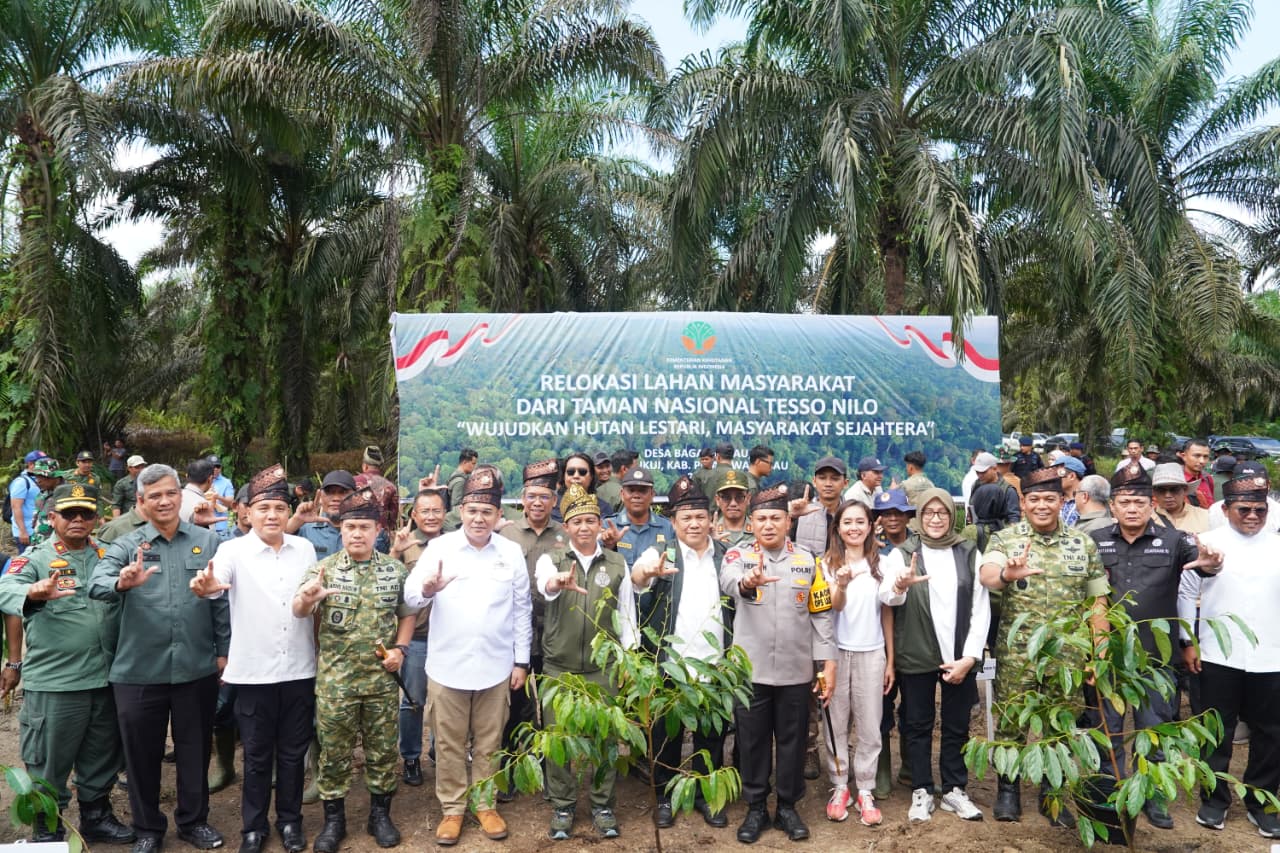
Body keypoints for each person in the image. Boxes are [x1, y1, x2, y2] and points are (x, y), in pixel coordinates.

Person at [89, 463, 230, 853]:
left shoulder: (208, 542)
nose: (164, 501)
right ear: (141, 501)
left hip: (196, 666)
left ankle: (193, 821)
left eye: (170, 493)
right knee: (141, 755)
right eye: (155, 496)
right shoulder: (126, 545)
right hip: (138, 670)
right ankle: (148, 828)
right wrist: (121, 582)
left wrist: (224, 652)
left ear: (180, 495)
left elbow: (221, 602)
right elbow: (96, 583)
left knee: (194, 750)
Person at [190, 465, 319, 853]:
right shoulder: (232, 551)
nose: (272, 515)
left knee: (293, 753)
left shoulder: (304, 549)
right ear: (247, 511)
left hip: (299, 669)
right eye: (263, 508)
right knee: (258, 755)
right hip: (254, 673)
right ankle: (254, 827)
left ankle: (290, 822)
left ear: (288, 511)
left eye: (279, 508)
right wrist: (206, 586)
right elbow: (213, 583)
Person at [1088, 462, 1222, 830]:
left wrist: (1211, 564)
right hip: (1109, 657)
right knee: (1108, 729)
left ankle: (1152, 796)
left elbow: (1203, 564)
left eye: (1140, 502)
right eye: (1125, 502)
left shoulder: (1175, 540)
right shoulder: (1094, 541)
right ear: (1112, 506)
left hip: (1156, 659)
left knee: (1155, 730)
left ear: (1152, 505)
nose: (1132, 509)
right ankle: (1111, 792)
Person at [0, 483, 134, 845]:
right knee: (48, 761)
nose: (78, 519)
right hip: (57, 682)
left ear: (96, 518)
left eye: (85, 513)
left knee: (102, 754)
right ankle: (48, 827)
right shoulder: (35, 558)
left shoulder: (108, 555)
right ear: (51, 517)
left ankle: (96, 816)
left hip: (106, 678)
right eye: (69, 513)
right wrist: (32, 592)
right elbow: (5, 590)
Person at [405, 468, 532, 847]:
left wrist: (521, 662)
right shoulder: (440, 549)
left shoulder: (510, 552)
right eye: (472, 510)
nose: (479, 518)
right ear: (461, 511)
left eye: (487, 512)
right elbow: (410, 596)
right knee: (449, 743)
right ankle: (453, 809)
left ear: (498, 515)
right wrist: (428, 588)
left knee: (490, 742)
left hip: (496, 667)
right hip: (448, 667)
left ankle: (485, 803)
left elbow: (521, 609)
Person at [978, 466, 1108, 827]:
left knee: (1061, 726)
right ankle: (1008, 791)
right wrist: (1006, 574)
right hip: (1018, 655)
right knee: (1011, 722)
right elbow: (987, 574)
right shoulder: (1006, 539)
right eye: (1034, 499)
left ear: (1062, 500)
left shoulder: (1082, 543)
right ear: (1023, 502)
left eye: (1050, 499)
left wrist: (1099, 653)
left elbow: (1097, 601)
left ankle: (1053, 796)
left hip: (1067, 657)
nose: (1041, 506)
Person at [292, 488, 414, 852]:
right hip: (337, 684)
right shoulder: (323, 570)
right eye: (350, 527)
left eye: (364, 527)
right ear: (341, 530)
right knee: (333, 754)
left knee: (382, 752)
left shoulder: (395, 570)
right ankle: (335, 821)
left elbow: (407, 614)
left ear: (378, 530)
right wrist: (306, 600)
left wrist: (400, 650)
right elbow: (299, 609)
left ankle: (380, 816)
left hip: (380, 682)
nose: (357, 534)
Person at [720, 485, 837, 844]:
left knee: (793, 741)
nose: (768, 525)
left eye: (775, 518)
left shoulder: (808, 560)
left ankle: (787, 806)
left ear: (788, 522)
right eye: (761, 519)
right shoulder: (737, 556)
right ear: (751, 523)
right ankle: (756, 807)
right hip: (751, 672)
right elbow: (730, 583)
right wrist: (747, 582)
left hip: (795, 671)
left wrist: (828, 663)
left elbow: (821, 615)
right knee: (752, 742)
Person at [536, 483, 648, 840]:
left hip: (604, 669)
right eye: (576, 522)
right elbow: (544, 586)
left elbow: (627, 615)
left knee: (605, 740)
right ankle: (562, 806)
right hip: (559, 667)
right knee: (559, 740)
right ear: (566, 527)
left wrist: (629, 661)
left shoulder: (616, 563)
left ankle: (603, 805)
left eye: (590, 521)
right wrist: (557, 583)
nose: (584, 527)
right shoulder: (551, 560)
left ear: (600, 525)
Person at [1179, 466, 1280, 837]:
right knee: (1215, 731)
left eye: (1260, 509)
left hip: (1272, 655)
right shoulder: (1205, 542)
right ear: (1225, 509)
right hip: (1217, 654)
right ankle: (1214, 799)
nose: (1253, 516)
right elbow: (1187, 594)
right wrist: (1187, 641)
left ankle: (1262, 801)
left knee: (1271, 733)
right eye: (1244, 509)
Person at [880, 489, 989, 824]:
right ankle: (922, 789)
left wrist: (970, 657)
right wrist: (900, 585)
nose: (936, 519)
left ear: (953, 516)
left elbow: (980, 607)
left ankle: (954, 789)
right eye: (929, 513)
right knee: (917, 723)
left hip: (959, 654)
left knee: (957, 724)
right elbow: (886, 597)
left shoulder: (969, 552)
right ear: (919, 517)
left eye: (943, 512)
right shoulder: (902, 553)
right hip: (917, 651)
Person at [637, 476, 734, 830]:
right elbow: (637, 577)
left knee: (712, 736)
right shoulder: (660, 553)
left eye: (700, 517)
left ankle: (707, 795)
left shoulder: (725, 556)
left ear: (711, 519)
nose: (694, 524)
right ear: (674, 522)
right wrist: (646, 573)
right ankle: (664, 797)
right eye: (686, 518)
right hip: (671, 665)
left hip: (715, 663)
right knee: (667, 734)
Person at [818, 500, 891, 826]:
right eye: (847, 522)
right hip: (835, 654)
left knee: (870, 724)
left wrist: (890, 658)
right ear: (837, 528)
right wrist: (842, 584)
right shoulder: (825, 565)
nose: (854, 528)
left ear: (871, 525)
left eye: (860, 521)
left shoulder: (882, 564)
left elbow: (887, 610)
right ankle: (839, 785)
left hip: (872, 652)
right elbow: (832, 607)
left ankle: (865, 788)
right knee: (835, 723)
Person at [496, 459, 565, 798]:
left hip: (555, 631)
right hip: (515, 634)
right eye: (532, 496)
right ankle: (511, 770)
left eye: (545, 497)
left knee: (553, 706)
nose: (538, 502)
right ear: (522, 499)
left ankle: (553, 773)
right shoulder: (505, 534)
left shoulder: (566, 534)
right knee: (515, 705)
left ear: (555, 500)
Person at [387, 488, 446, 787]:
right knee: (412, 700)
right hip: (417, 636)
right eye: (425, 511)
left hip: (448, 636)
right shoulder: (406, 544)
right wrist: (396, 551)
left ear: (445, 513)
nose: (431, 516)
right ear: (414, 514)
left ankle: (439, 751)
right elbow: (387, 580)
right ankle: (410, 756)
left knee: (446, 699)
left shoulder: (455, 543)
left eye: (437, 510)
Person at [870, 489, 915, 798]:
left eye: (898, 512)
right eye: (886, 514)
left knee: (913, 705)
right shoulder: (872, 549)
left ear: (908, 515)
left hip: (913, 634)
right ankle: (882, 769)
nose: (893, 518)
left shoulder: (919, 547)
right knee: (882, 704)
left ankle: (910, 767)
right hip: (879, 635)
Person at [600, 467, 674, 569]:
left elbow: (670, 566)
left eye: (642, 491)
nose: (636, 496)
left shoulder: (667, 528)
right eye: (631, 490)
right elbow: (598, 567)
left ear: (652, 495)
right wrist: (609, 546)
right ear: (622, 494)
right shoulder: (608, 525)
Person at [286, 470, 355, 559]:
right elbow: (273, 544)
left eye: (343, 492)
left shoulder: (366, 531)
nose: (336, 498)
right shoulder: (306, 531)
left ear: (355, 496)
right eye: (329, 492)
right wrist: (295, 521)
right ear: (320, 497)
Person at [794, 456, 848, 555]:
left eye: (835, 479)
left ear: (845, 483)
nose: (828, 484)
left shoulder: (852, 514)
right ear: (814, 481)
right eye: (822, 478)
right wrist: (790, 516)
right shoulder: (802, 514)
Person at [968, 453, 1019, 549]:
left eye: (983, 472)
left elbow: (1013, 518)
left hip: (999, 537)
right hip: (977, 534)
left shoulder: (1008, 490)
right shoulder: (976, 484)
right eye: (977, 472)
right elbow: (971, 508)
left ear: (995, 469)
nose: (980, 475)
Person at [551, 452, 612, 522]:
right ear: (564, 476)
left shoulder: (604, 509)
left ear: (591, 476)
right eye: (570, 472)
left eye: (582, 472)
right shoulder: (550, 504)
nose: (576, 476)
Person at [9, 449, 49, 552]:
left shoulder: (41, 480)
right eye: (41, 462)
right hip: (27, 531)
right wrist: (22, 531)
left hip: (40, 529)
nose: (45, 464)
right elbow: (16, 507)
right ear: (30, 464)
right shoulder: (21, 482)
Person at [1152, 463, 1210, 533]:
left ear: (1184, 490)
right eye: (1161, 490)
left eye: (1174, 489)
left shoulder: (1205, 516)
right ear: (1154, 492)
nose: (1168, 495)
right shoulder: (1146, 519)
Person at [712, 470, 753, 546]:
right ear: (717, 500)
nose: (733, 503)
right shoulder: (710, 533)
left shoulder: (759, 530)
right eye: (726, 497)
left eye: (739, 497)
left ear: (748, 498)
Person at [179, 459, 219, 527]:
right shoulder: (204, 506)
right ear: (210, 479)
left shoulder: (173, 497)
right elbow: (210, 533)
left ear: (187, 476)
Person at [205, 456, 236, 539]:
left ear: (221, 468)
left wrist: (218, 497)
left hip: (220, 527)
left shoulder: (226, 482)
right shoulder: (200, 480)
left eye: (217, 466)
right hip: (203, 525)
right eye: (212, 466)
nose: (215, 469)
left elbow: (231, 503)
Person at [1179, 439, 1214, 508]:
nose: (1202, 461)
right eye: (1197, 456)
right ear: (1184, 456)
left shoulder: (1207, 478)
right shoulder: (1176, 480)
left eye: (1205, 456)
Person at [1053, 456, 1086, 526]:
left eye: (1057, 474)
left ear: (1072, 476)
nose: (1054, 479)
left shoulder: (1086, 501)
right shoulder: (1054, 499)